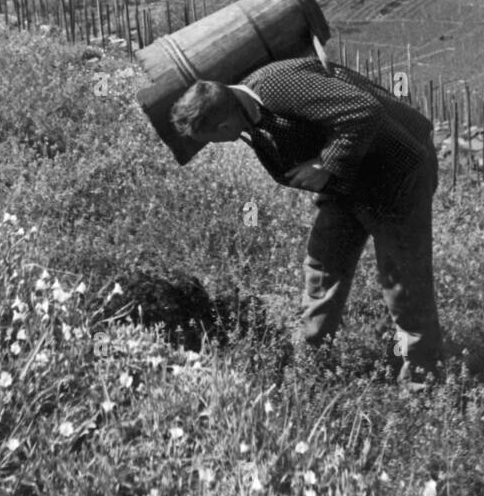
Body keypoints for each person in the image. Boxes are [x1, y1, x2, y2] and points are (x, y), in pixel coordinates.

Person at [169, 55, 443, 381]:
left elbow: (364, 110)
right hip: (349, 182)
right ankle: (310, 366)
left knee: (403, 285)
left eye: (211, 139)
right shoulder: (248, 113)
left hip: (396, 175)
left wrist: (325, 164)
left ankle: (422, 385)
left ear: (224, 126)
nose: (214, 146)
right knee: (322, 267)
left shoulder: (278, 88)